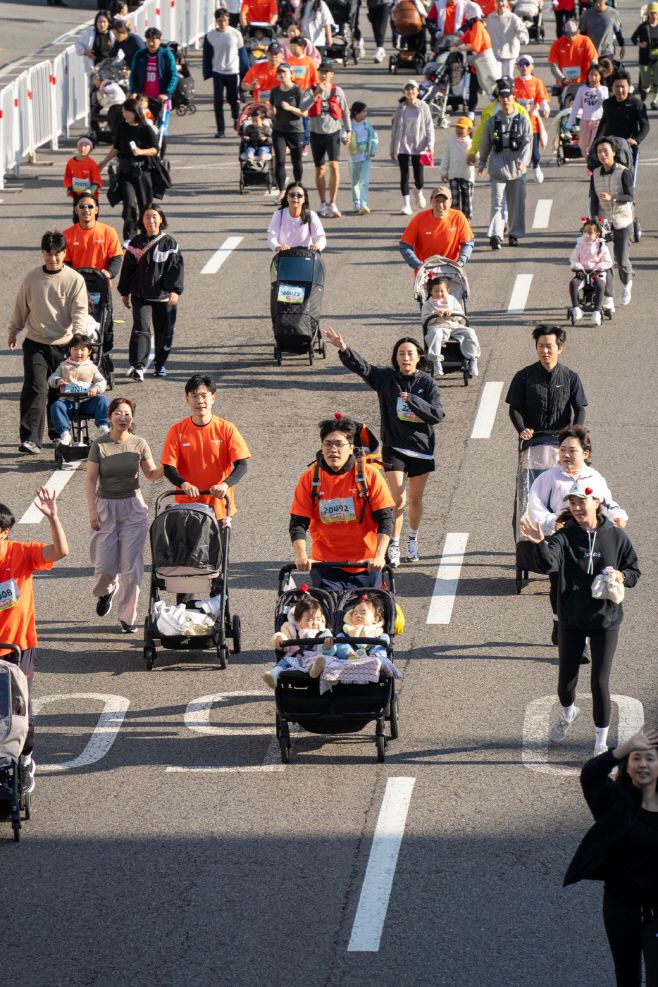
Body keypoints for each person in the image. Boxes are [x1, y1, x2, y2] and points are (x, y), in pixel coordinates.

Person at [520, 480, 640, 755]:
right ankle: (567, 713)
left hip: (605, 621)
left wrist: (622, 575)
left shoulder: (616, 537)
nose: (575, 508)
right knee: (566, 682)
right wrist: (539, 544)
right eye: (571, 503)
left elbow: (634, 571)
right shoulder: (564, 536)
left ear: (596, 502)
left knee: (600, 682)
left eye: (580, 502)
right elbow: (548, 563)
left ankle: (600, 744)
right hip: (571, 619)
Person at [324, 331, 443, 566]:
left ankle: (413, 538)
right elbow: (364, 368)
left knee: (415, 499)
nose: (405, 358)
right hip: (395, 447)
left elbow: (437, 414)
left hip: (421, 448)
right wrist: (343, 348)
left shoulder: (427, 382)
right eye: (401, 354)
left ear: (418, 357)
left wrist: (413, 401)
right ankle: (394, 543)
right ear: (395, 358)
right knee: (398, 499)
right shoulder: (387, 378)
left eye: (410, 353)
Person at [564, 728, 658, 987]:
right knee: (626, 979)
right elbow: (591, 775)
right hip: (620, 908)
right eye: (635, 758)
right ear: (626, 766)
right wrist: (621, 750)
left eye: (650, 758)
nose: (642, 764)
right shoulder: (615, 803)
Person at [526, 424, 627, 646]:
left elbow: (608, 502)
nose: (566, 455)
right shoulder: (548, 478)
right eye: (562, 450)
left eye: (572, 450)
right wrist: (553, 521)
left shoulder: (594, 478)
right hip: (560, 540)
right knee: (560, 586)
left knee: (590, 585)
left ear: (585, 454)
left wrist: (618, 515)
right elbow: (534, 507)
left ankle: (585, 639)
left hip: (590, 540)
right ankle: (558, 621)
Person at [0, 490, 69, 794]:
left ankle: (25, 759)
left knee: (19, 707)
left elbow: (60, 551)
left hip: (18, 648)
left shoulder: (21, 553)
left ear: (5, 532)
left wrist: (53, 516)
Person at [85, 396, 163, 633]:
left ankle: (127, 618)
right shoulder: (99, 445)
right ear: (109, 416)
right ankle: (107, 590)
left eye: (127, 413)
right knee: (104, 566)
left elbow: (151, 475)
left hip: (133, 507)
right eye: (118, 413)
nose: (123, 417)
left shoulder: (139, 443)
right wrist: (91, 511)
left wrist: (171, 465)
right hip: (105, 506)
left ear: (132, 418)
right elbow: (90, 480)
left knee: (132, 566)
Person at [289, 414, 395, 588]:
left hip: (366, 564)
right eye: (328, 444)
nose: (333, 449)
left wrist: (379, 556)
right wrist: (301, 555)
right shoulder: (309, 479)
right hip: (324, 565)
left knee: (364, 613)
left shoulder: (370, 476)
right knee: (328, 612)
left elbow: (385, 519)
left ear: (351, 447)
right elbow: (298, 523)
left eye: (339, 444)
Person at [8, 231, 88, 455]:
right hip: (35, 342)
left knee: (58, 390)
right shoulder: (32, 278)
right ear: (42, 254)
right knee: (35, 387)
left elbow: (80, 311)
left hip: (64, 344)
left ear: (64, 253)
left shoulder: (74, 280)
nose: (52, 259)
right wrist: (14, 330)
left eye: (57, 254)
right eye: (48, 254)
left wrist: (79, 339)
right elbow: (21, 307)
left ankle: (57, 434)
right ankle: (30, 439)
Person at [161, 374, 251, 520]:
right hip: (188, 506)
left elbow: (242, 465)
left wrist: (224, 484)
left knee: (219, 544)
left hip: (220, 506)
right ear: (187, 399)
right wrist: (184, 484)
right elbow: (168, 467)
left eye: (204, 396)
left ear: (213, 398)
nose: (200, 401)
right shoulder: (177, 431)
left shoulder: (226, 428)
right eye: (194, 396)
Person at [117, 203, 184, 381]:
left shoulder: (170, 243)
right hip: (141, 295)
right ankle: (137, 366)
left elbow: (176, 269)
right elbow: (128, 268)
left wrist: (175, 291)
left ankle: (160, 363)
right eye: (147, 217)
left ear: (161, 219)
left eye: (154, 216)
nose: (151, 220)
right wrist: (124, 291)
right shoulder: (135, 243)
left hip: (163, 296)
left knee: (164, 331)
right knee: (141, 329)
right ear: (142, 220)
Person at [506, 324, 588, 442]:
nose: (544, 351)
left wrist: (574, 433)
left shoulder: (571, 377)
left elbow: (579, 409)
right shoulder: (523, 376)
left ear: (560, 349)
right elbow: (514, 408)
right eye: (541, 346)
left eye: (549, 346)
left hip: (562, 441)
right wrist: (522, 430)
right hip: (533, 440)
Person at [478, 76, 533, 249]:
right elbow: (485, 142)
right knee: (497, 203)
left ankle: (514, 233)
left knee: (516, 204)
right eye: (502, 98)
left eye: (508, 97)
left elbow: (527, 142)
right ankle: (495, 234)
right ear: (499, 100)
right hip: (498, 167)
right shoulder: (492, 121)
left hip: (517, 168)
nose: (506, 100)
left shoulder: (523, 118)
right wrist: (481, 162)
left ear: (513, 98)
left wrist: (523, 162)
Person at [98, 98, 159, 242]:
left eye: (128, 112)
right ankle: (129, 238)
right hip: (125, 172)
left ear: (136, 112)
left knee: (145, 205)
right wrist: (104, 162)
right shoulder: (122, 127)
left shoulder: (145, 128)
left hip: (142, 172)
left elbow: (155, 149)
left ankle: (147, 235)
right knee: (129, 205)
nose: (125, 115)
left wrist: (141, 152)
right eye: (124, 112)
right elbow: (116, 147)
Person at [589, 138, 634, 306]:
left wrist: (613, 198)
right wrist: (594, 220)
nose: (602, 154)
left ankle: (627, 284)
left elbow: (630, 196)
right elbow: (593, 199)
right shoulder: (595, 173)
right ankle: (608, 297)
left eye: (605, 151)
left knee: (621, 261)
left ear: (614, 152)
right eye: (599, 152)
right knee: (606, 260)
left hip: (623, 220)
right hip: (604, 222)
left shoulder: (624, 172)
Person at [48, 333, 110, 445]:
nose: (79, 353)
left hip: (86, 401)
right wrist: (58, 381)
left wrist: (96, 389)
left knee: (103, 401)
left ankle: (103, 426)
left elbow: (102, 381)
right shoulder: (64, 365)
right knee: (56, 406)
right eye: (75, 349)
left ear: (89, 351)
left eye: (82, 350)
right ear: (69, 350)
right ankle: (64, 433)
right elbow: (52, 378)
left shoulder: (91, 367)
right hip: (68, 401)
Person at [308, 59, 351, 218]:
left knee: (334, 166)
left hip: (333, 132)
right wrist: (316, 94)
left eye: (327, 72)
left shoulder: (337, 91)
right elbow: (303, 108)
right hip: (316, 133)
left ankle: (332, 202)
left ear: (332, 74)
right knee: (320, 169)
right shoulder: (311, 89)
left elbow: (345, 112)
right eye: (322, 72)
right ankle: (322, 202)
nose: (324, 75)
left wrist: (349, 130)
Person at [399, 183, 475, 270]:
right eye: (437, 200)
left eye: (444, 201)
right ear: (431, 201)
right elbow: (404, 245)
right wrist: (418, 265)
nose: (440, 205)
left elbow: (468, 242)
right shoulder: (419, 219)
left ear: (450, 202)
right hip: (426, 272)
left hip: (452, 271)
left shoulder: (458, 217)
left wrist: (460, 262)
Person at [263, 595, 331, 687]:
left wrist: (327, 646)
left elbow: (331, 649)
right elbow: (284, 638)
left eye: (318, 619)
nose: (315, 622)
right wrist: (279, 639)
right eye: (310, 620)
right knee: (283, 663)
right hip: (295, 658)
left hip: (314, 658)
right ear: (298, 621)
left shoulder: (324, 632)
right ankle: (273, 675)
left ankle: (314, 669)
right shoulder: (292, 629)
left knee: (322, 660)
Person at [390, 79, 435, 216]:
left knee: (419, 178)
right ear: (404, 92)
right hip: (403, 146)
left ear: (418, 92)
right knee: (404, 175)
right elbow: (395, 128)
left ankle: (418, 191)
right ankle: (406, 205)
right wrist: (392, 148)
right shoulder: (401, 108)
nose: (410, 92)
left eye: (413, 89)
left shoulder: (424, 107)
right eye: (408, 89)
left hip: (419, 146)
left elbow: (429, 127)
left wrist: (430, 145)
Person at [420, 275, 481, 376]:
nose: (439, 294)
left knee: (470, 332)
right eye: (436, 291)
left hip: (454, 325)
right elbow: (425, 320)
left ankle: (473, 359)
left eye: (442, 291)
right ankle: (436, 362)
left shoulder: (452, 300)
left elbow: (461, 317)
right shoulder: (428, 304)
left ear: (447, 290)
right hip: (437, 326)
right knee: (435, 335)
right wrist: (434, 315)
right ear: (431, 292)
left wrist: (452, 313)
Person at [203, 8, 244, 139]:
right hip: (218, 71)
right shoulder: (210, 36)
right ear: (216, 21)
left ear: (229, 20)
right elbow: (207, 56)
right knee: (218, 101)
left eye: (225, 20)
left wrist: (245, 73)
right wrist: (207, 72)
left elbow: (242, 55)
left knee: (233, 100)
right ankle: (220, 129)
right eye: (220, 21)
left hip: (233, 71)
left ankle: (236, 120)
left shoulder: (236, 34)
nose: (223, 23)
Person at [63, 194, 123, 282]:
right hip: (76, 284)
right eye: (82, 206)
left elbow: (116, 257)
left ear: (96, 210)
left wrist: (109, 272)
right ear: (76, 210)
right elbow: (64, 261)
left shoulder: (109, 232)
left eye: (90, 206)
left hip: (101, 284)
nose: (86, 209)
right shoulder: (66, 234)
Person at [268, 62, 307, 192]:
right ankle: (282, 191)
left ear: (291, 74)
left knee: (297, 162)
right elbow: (271, 109)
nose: (282, 74)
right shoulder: (275, 91)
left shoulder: (297, 90)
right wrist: (271, 113)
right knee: (280, 161)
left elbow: (304, 112)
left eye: (285, 72)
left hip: (295, 130)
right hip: (279, 130)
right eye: (279, 72)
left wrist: (290, 108)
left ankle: (297, 186)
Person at [568, 218, 614, 324]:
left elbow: (608, 262)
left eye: (590, 233)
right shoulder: (580, 245)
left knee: (600, 284)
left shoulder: (602, 246)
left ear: (597, 234)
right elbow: (573, 259)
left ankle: (597, 311)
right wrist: (578, 268)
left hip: (596, 274)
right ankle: (576, 308)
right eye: (585, 232)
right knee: (573, 283)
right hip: (582, 273)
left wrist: (597, 269)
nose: (587, 235)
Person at [594, 71, 650, 155]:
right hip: (610, 146)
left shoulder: (636, 103)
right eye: (617, 86)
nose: (620, 90)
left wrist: (636, 139)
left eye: (622, 87)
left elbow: (645, 125)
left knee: (624, 168)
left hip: (628, 146)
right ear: (612, 87)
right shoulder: (607, 103)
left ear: (628, 87)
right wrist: (597, 140)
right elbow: (603, 122)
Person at [514, 54, 550, 183]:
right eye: (521, 64)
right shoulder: (515, 82)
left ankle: (536, 167)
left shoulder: (537, 82)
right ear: (517, 66)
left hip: (532, 122)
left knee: (534, 151)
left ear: (532, 66)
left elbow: (542, 97)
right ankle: (519, 172)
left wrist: (545, 108)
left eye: (527, 64)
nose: (524, 67)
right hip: (517, 122)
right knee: (518, 148)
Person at [566, 62, 608, 160]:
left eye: (595, 75)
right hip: (585, 121)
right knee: (583, 146)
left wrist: (598, 88)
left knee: (594, 144)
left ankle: (594, 165)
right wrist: (569, 124)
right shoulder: (582, 89)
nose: (593, 78)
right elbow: (575, 107)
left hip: (598, 122)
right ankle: (589, 161)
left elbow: (604, 101)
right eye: (591, 75)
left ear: (600, 77)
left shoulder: (604, 89)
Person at [267, 182, 327, 251]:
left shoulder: (311, 215)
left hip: (305, 257)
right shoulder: (279, 214)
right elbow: (272, 237)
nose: (295, 197)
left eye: (299, 195)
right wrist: (278, 247)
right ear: (287, 197)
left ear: (304, 199)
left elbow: (321, 238)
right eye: (292, 195)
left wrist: (317, 245)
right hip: (285, 257)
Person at [549, 19, 598, 96]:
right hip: (565, 84)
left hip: (584, 82)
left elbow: (594, 62)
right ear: (564, 33)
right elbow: (553, 66)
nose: (571, 37)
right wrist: (563, 79)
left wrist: (591, 77)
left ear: (578, 31)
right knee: (565, 105)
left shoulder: (585, 41)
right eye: (568, 34)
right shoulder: (556, 44)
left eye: (574, 34)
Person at [129, 28, 178, 105]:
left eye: (153, 41)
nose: (151, 44)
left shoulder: (167, 55)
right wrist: (134, 91)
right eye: (148, 41)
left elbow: (173, 76)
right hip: (143, 100)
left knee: (160, 117)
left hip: (162, 99)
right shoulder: (139, 55)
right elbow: (133, 75)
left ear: (160, 40)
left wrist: (167, 94)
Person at [439, 116, 475, 219]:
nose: (459, 130)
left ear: (468, 130)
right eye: (457, 127)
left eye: (462, 128)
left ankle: (466, 223)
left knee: (467, 202)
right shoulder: (451, 142)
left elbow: (477, 157)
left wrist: (474, 160)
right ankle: (455, 222)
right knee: (454, 202)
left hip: (467, 176)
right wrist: (443, 172)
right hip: (453, 175)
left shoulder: (472, 143)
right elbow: (446, 157)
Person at [348, 100, 378, 215]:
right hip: (353, 159)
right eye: (363, 111)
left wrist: (373, 149)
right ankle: (356, 203)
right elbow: (344, 135)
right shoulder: (349, 125)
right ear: (356, 112)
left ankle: (363, 204)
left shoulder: (367, 125)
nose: (365, 114)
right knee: (355, 182)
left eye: (366, 111)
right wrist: (344, 138)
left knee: (364, 181)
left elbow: (374, 137)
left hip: (366, 157)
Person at [486, 0, 528, 78]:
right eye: (498, 1)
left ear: (507, 3)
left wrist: (522, 38)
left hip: (509, 53)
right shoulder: (490, 17)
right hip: (495, 53)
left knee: (508, 78)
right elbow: (486, 33)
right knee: (496, 78)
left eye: (502, 1)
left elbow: (521, 30)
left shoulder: (513, 17)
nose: (500, 4)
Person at [64, 138, 103, 220]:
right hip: (77, 195)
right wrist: (69, 188)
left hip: (91, 197)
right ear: (77, 147)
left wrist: (91, 191)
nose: (83, 148)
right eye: (81, 145)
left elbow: (97, 180)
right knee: (77, 218)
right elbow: (67, 176)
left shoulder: (92, 164)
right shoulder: (70, 162)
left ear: (91, 149)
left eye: (86, 146)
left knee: (91, 218)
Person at [631, 3, 658, 110]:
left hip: (657, 58)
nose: (654, 16)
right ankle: (644, 90)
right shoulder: (643, 27)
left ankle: (655, 101)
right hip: (645, 58)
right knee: (646, 82)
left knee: (657, 80)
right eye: (652, 13)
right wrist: (640, 44)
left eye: (656, 13)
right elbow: (633, 38)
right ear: (648, 14)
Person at [75, 10, 114, 74]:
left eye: (104, 22)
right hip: (95, 70)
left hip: (110, 70)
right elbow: (78, 43)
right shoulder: (90, 33)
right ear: (96, 22)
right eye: (99, 22)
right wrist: (85, 52)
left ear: (109, 23)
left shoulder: (113, 34)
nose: (102, 24)